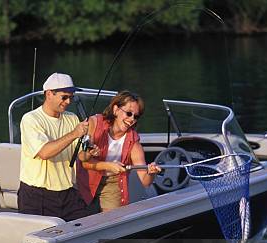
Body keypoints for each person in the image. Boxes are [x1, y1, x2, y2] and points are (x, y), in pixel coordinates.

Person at [18, 72, 97, 221]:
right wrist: (74, 134)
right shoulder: (30, 119)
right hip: (36, 195)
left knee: (87, 227)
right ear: (49, 94)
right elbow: (44, 153)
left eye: (71, 97)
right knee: (40, 241)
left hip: (68, 192)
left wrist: (90, 153)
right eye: (64, 97)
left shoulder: (72, 118)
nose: (68, 101)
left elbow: (80, 155)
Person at [77, 90, 161, 212]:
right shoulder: (94, 123)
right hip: (86, 179)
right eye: (128, 113)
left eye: (136, 116)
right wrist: (108, 165)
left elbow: (145, 181)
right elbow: (84, 162)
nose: (132, 119)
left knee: (110, 223)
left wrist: (151, 172)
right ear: (116, 110)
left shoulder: (134, 142)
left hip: (113, 183)